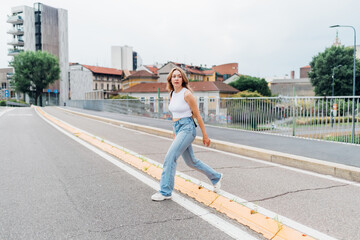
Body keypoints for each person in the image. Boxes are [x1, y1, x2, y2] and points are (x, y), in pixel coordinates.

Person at [151, 67, 223, 201]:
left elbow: (197, 116)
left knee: (170, 157)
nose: (176, 78)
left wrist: (205, 135)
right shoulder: (172, 94)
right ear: (170, 80)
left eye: (179, 76)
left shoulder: (187, 94)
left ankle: (165, 191)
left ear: (183, 79)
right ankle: (216, 177)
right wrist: (174, 134)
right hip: (178, 128)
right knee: (191, 162)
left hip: (188, 128)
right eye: (174, 76)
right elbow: (174, 116)